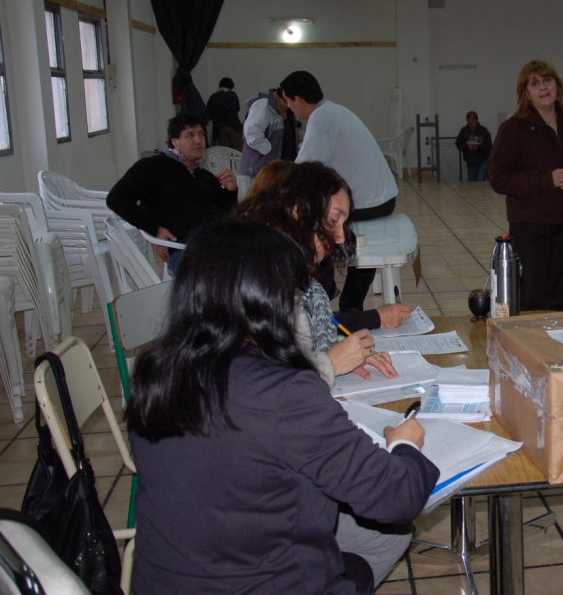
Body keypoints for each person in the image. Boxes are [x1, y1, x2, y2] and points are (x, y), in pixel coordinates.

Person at [127, 220, 438, 593]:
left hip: (169, 579)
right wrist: (404, 444)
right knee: (387, 530)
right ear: (265, 302)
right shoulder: (281, 390)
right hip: (260, 582)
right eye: (292, 296)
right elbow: (397, 497)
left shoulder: (156, 371)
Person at [243, 160, 413, 333]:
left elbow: (316, 322)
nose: (340, 238)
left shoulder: (292, 266)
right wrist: (331, 360)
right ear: (295, 210)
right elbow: (295, 335)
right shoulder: (255, 275)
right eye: (333, 220)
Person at [282, 71, 399, 311]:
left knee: (309, 224)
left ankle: (327, 292)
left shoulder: (321, 119)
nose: (289, 107)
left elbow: (303, 171)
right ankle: (343, 299)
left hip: (369, 203)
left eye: (289, 101)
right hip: (382, 198)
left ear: (298, 99)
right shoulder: (334, 111)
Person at [489, 60, 563, 311]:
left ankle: (549, 345)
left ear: (557, 86)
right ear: (525, 92)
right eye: (534, 83)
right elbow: (498, 178)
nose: (543, 88)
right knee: (530, 295)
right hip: (530, 226)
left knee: (556, 295)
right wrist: (545, 180)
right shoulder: (514, 129)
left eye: (547, 81)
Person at [106, 112, 237, 269]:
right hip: (189, 252)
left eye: (201, 134)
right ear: (174, 141)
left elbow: (224, 209)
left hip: (219, 242)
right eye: (190, 135)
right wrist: (156, 230)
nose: (198, 140)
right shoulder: (155, 167)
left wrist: (230, 190)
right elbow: (116, 198)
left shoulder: (202, 175)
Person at [240, 87, 299, 178]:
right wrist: (268, 149)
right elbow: (251, 134)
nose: (287, 106)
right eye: (285, 102)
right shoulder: (262, 105)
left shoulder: (288, 111)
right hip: (262, 168)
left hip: (283, 167)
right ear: (280, 96)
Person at [206, 77, 244, 151]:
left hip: (219, 130)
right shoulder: (232, 95)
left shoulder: (213, 97)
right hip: (234, 128)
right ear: (230, 86)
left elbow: (209, 114)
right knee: (237, 153)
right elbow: (237, 109)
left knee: (224, 155)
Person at [454, 111, 492, 181]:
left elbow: (489, 146)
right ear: (467, 121)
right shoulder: (463, 131)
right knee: (472, 184)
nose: (472, 126)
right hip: (470, 163)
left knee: (480, 179)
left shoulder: (484, 131)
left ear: (477, 121)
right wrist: (466, 147)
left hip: (483, 161)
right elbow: (458, 143)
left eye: (474, 123)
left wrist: (478, 148)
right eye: (470, 123)